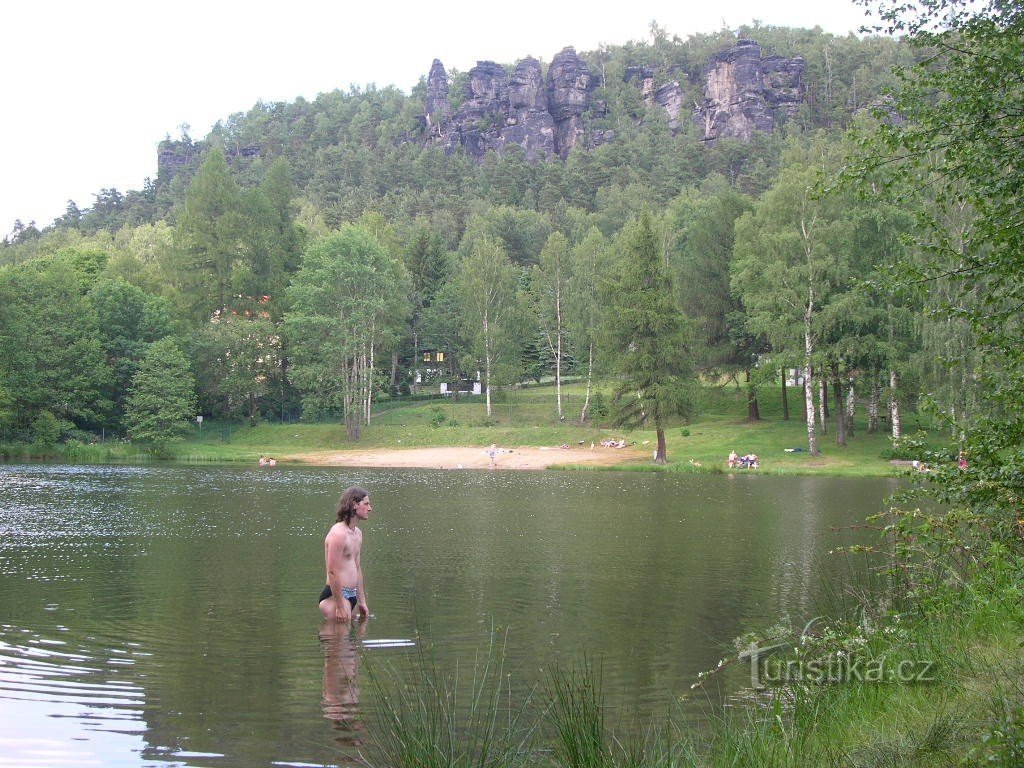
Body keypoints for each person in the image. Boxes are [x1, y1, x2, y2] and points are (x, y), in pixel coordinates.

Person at [319, 486, 371, 622]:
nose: (370, 508)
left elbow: (357, 568)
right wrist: (340, 606)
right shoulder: (338, 533)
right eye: (366, 504)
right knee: (337, 642)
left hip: (351, 595)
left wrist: (362, 602)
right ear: (354, 505)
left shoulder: (358, 534)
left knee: (349, 642)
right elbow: (332, 572)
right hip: (335, 597)